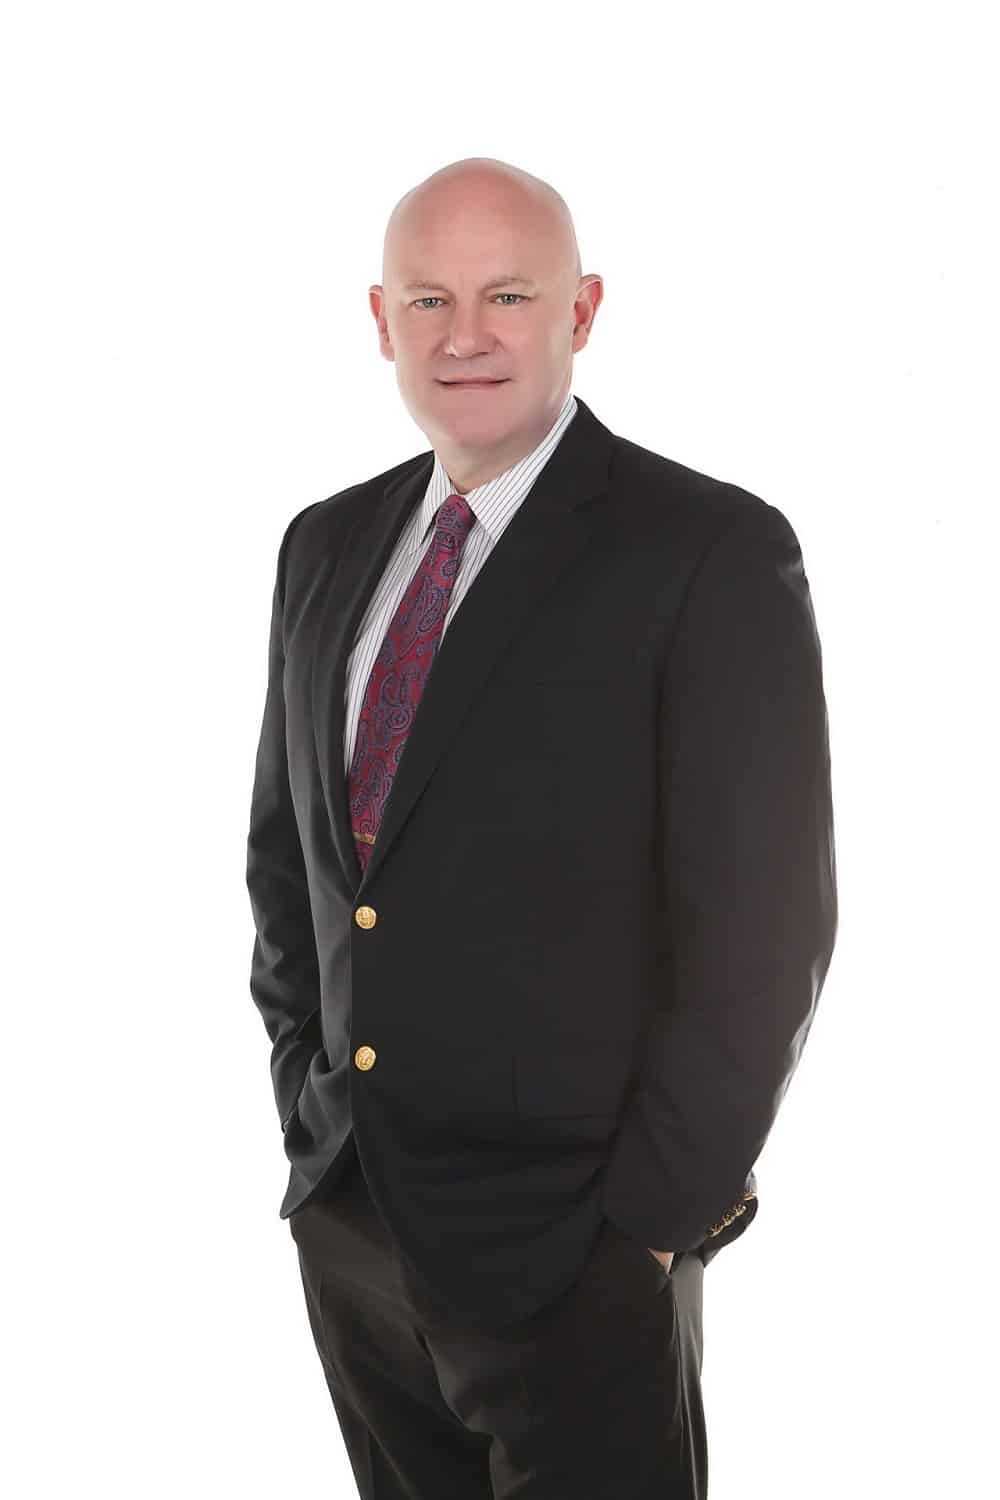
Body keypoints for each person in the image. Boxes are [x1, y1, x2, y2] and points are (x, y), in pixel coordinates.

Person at [245, 155, 837, 1499]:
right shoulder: (325, 545)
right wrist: (308, 1109)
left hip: (579, 1251)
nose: (467, 335)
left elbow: (766, 928)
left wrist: (652, 1227)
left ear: (583, 310)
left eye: (508, 295)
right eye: (430, 299)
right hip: (355, 1220)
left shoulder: (707, 550)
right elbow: (292, 863)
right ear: (381, 320)